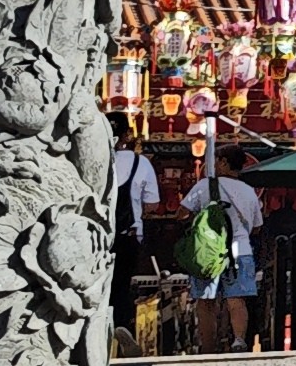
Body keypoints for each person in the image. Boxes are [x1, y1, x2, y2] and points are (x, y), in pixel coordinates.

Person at [178, 140, 266, 354]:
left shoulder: (204, 186)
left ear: (225, 163)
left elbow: (181, 213)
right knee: (236, 299)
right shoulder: (249, 192)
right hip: (240, 251)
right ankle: (238, 341)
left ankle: (208, 347)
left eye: (217, 161)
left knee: (206, 301)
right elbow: (257, 227)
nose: (214, 165)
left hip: (207, 253)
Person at [109, 137, 163, 341]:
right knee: (122, 284)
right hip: (128, 234)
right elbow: (152, 204)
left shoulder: (97, 155)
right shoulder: (141, 163)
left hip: (96, 234)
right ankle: (120, 327)